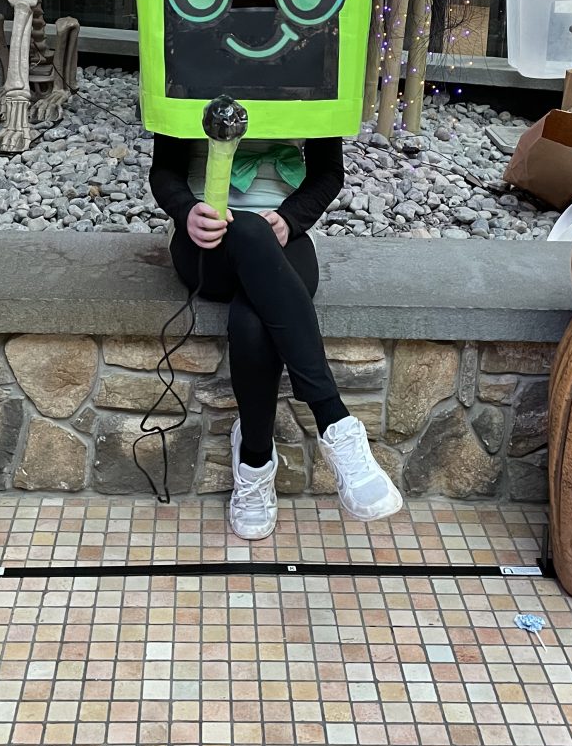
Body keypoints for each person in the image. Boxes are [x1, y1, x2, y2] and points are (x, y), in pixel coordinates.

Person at [150, 131, 403, 540]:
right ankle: (334, 420)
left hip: (285, 237)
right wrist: (186, 210)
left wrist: (291, 218)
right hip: (206, 240)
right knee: (250, 231)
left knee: (253, 320)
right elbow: (164, 169)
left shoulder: (314, 86)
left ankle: (254, 461)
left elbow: (328, 171)